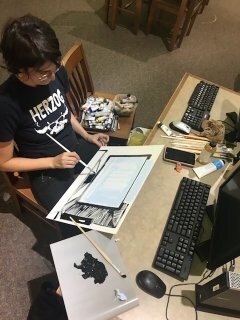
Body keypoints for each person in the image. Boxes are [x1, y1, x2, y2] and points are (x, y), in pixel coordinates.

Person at [0, 14, 109, 214]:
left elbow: (64, 112)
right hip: (45, 169)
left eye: (54, 68)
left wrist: (86, 135)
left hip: (73, 148)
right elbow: (5, 162)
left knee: (118, 172)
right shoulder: (6, 103)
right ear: (20, 71)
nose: (52, 77)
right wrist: (53, 162)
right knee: (76, 217)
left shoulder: (55, 72)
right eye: (44, 73)